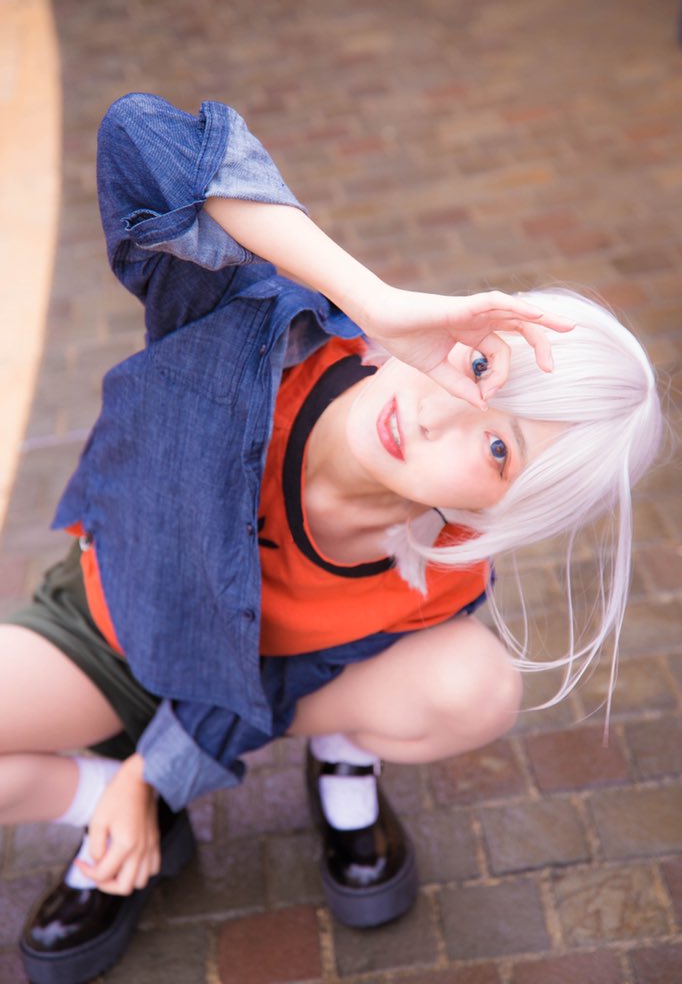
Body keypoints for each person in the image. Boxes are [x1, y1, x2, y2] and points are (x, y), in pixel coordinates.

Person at [1, 93, 662, 984]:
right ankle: (105, 815)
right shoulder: (256, 337)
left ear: (499, 512)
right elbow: (141, 139)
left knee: (476, 685)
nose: (442, 414)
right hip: (113, 627)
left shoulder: (432, 565)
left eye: (498, 448)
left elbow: (271, 675)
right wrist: (373, 299)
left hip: (254, 680)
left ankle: (340, 760)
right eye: (480, 366)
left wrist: (152, 771)